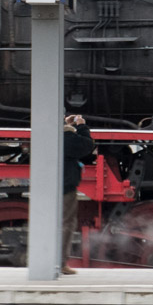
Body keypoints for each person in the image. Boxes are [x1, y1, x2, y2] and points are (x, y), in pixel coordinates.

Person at [61, 113, 95, 275]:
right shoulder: (66, 138)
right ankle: (60, 263)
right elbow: (87, 145)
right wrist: (81, 125)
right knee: (66, 223)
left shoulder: (54, 135)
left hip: (53, 186)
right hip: (65, 186)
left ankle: (53, 260)